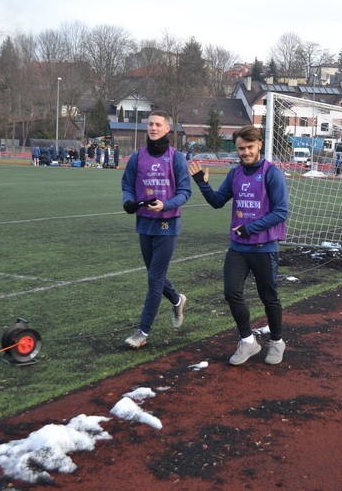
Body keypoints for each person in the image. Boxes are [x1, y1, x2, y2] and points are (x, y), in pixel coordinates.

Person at [188, 125, 289, 365]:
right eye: (241, 149)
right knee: (231, 292)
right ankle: (247, 341)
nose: (245, 153)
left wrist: (250, 228)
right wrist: (202, 184)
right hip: (238, 248)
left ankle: (277, 342)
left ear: (259, 146)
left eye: (249, 147)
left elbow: (281, 212)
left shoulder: (272, 173)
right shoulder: (235, 174)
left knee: (269, 297)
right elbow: (217, 202)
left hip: (264, 248)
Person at [121, 110, 190, 348]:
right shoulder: (137, 157)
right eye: (150, 124)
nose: (153, 128)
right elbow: (127, 185)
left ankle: (142, 332)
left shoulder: (176, 158)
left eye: (158, 124)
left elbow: (185, 192)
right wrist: (128, 201)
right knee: (154, 275)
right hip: (144, 223)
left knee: (154, 278)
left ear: (167, 129)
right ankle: (177, 299)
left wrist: (166, 205)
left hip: (167, 224)